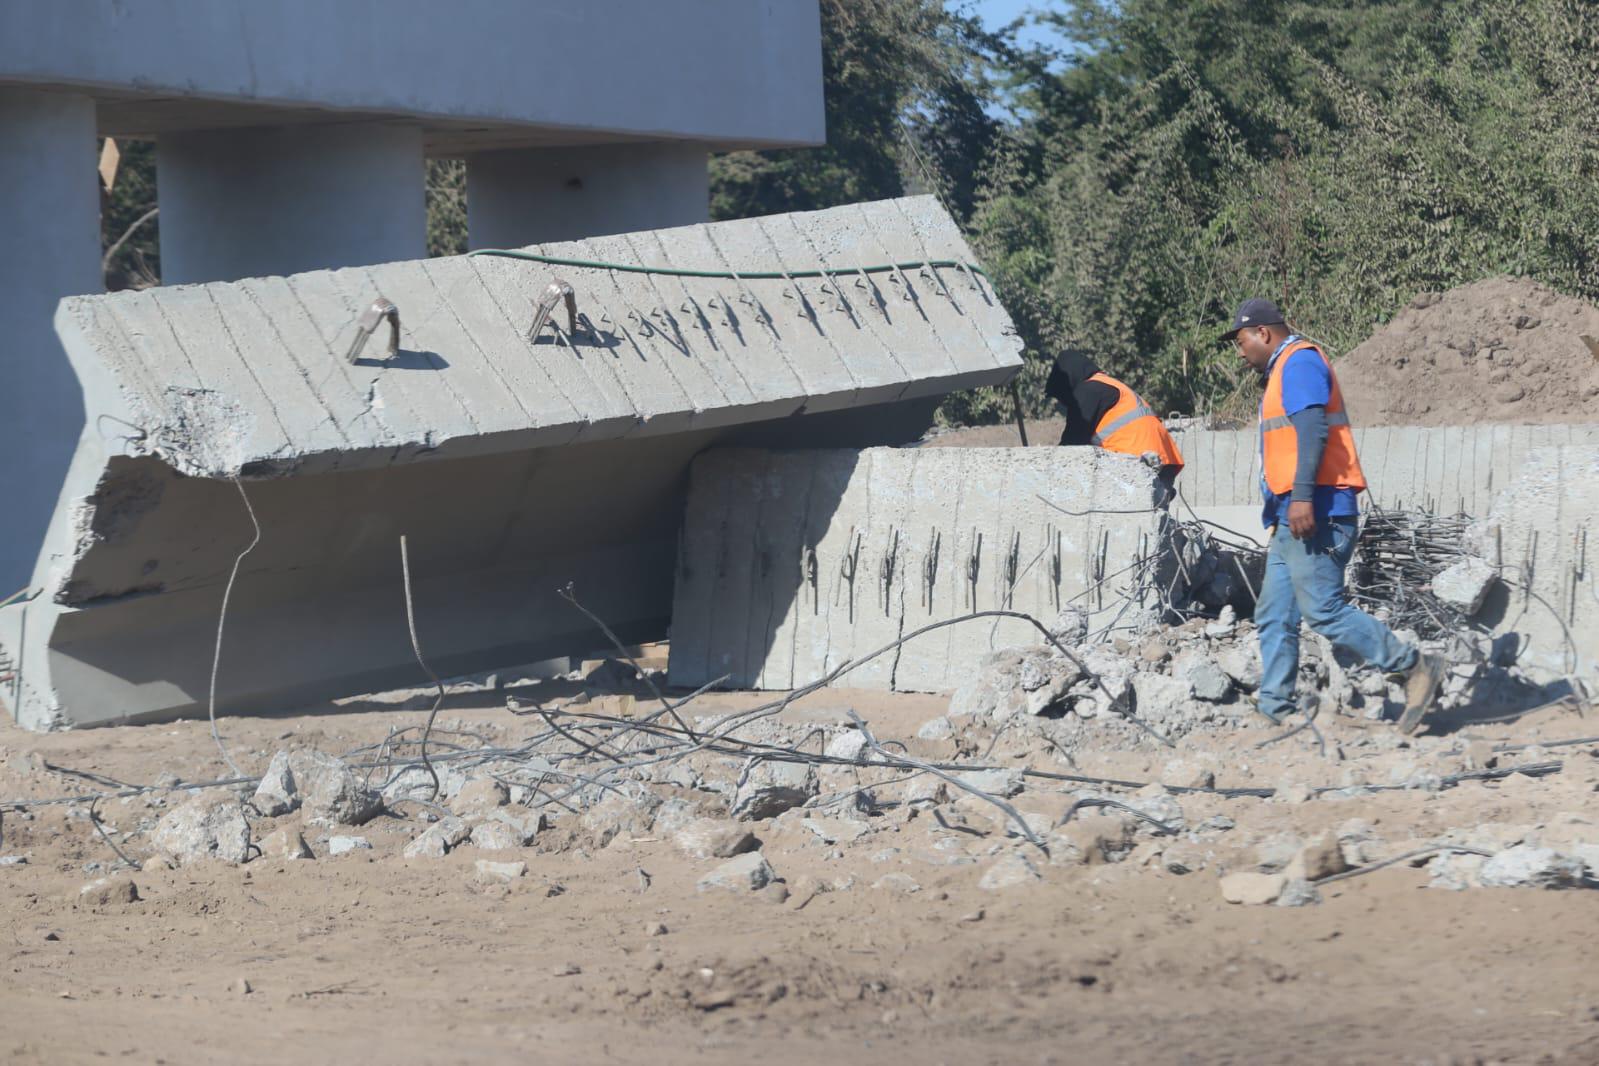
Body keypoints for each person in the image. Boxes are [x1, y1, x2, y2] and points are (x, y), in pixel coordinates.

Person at [1222, 297, 1444, 733]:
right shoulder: (1282, 370)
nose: (1239, 350)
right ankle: (1275, 703)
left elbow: (1312, 430)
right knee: (1274, 612)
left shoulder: (1299, 363)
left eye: (1241, 339)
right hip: (1293, 515)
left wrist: (1303, 498)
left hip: (1317, 510)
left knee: (1323, 610)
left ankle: (1413, 667)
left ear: (1263, 333)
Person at [1045, 350, 1184, 498]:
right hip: (1163, 459)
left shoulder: (1088, 391)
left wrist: (1046, 469)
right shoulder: (1109, 383)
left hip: (1137, 460)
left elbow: (1072, 444)